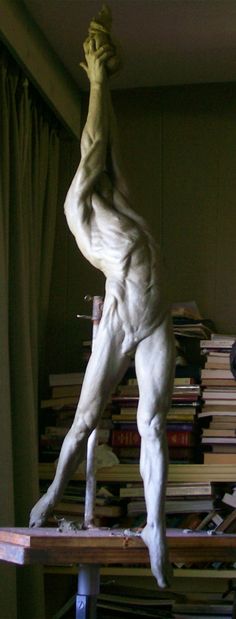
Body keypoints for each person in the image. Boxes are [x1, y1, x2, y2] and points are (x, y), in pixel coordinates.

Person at [29, 31, 175, 589]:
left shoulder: (120, 201)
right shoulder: (79, 210)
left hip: (156, 316)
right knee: (85, 419)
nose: (103, 171)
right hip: (120, 321)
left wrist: (105, 82)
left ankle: (155, 526)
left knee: (154, 425)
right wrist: (92, 79)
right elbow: (92, 147)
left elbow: (109, 145)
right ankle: (51, 494)